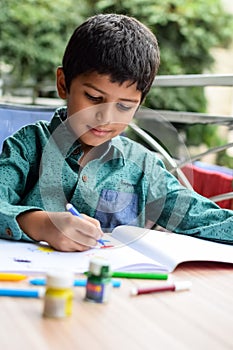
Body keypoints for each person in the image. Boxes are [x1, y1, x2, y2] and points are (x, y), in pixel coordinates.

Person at [0, 14, 232, 252]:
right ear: (63, 84)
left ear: (139, 104)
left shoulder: (144, 168)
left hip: (118, 285)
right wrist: (38, 224)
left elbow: (204, 217)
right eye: (94, 98)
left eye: (124, 106)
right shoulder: (27, 147)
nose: (106, 117)